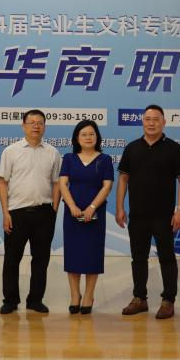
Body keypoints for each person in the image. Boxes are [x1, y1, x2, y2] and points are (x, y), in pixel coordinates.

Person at [117, 104, 180, 320]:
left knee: (167, 258)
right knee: (138, 258)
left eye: (156, 119)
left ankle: (168, 300)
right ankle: (139, 298)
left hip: (165, 216)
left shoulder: (174, 148)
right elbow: (123, 179)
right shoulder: (132, 148)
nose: (151, 123)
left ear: (163, 122)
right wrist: (120, 207)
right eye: (147, 119)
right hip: (137, 215)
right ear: (142, 121)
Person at [0, 109, 62, 314]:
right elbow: (2, 183)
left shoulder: (52, 152)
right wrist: (5, 213)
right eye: (31, 122)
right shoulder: (11, 151)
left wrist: (53, 210)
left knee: (41, 259)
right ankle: (10, 300)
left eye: (40, 123)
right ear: (23, 126)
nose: (36, 126)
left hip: (44, 213)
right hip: (17, 213)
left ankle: (35, 300)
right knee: (12, 258)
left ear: (44, 126)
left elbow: (57, 183)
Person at [58, 120, 114, 315]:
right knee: (73, 255)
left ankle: (89, 296)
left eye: (91, 134)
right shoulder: (69, 158)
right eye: (84, 134)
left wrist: (91, 207)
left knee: (92, 255)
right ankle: (75, 296)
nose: (88, 137)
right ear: (77, 138)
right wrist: (72, 206)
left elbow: (107, 186)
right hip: (72, 213)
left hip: (95, 214)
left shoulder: (104, 160)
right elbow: (63, 184)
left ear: (97, 137)